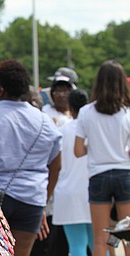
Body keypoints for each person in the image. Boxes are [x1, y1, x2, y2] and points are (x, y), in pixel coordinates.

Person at [0, 59, 62, 256]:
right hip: (32, 201)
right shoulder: (44, 120)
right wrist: (43, 200)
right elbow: (57, 164)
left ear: (0, 89)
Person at [74, 59, 130, 256]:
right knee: (127, 238)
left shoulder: (85, 112)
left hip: (98, 177)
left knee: (100, 239)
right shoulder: (128, 112)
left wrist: (95, 146)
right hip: (125, 176)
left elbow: (78, 151)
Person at [31, 67, 78, 256]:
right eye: (57, 90)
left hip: (73, 182)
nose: (60, 95)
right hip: (52, 181)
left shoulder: (79, 115)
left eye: (65, 90)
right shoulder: (45, 113)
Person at [52, 89, 94, 256]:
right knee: (98, 244)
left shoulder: (62, 131)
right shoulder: (93, 130)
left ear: (70, 106)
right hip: (92, 193)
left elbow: (55, 165)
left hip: (68, 193)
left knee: (77, 246)